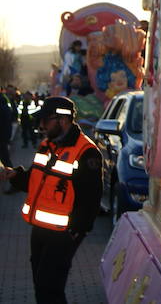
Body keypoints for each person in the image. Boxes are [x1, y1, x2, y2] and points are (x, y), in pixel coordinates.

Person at [0, 96, 102, 304]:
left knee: (50, 287)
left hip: (63, 234)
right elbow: (34, 180)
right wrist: (14, 175)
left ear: (62, 120)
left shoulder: (86, 152)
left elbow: (91, 198)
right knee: (41, 284)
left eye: (45, 121)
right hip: (39, 229)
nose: (41, 126)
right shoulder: (47, 145)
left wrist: (75, 232)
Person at [0, 84, 13, 169]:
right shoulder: (4, 99)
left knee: (4, 156)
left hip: (2, 135)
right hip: (3, 135)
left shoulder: (3, 100)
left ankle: (11, 174)